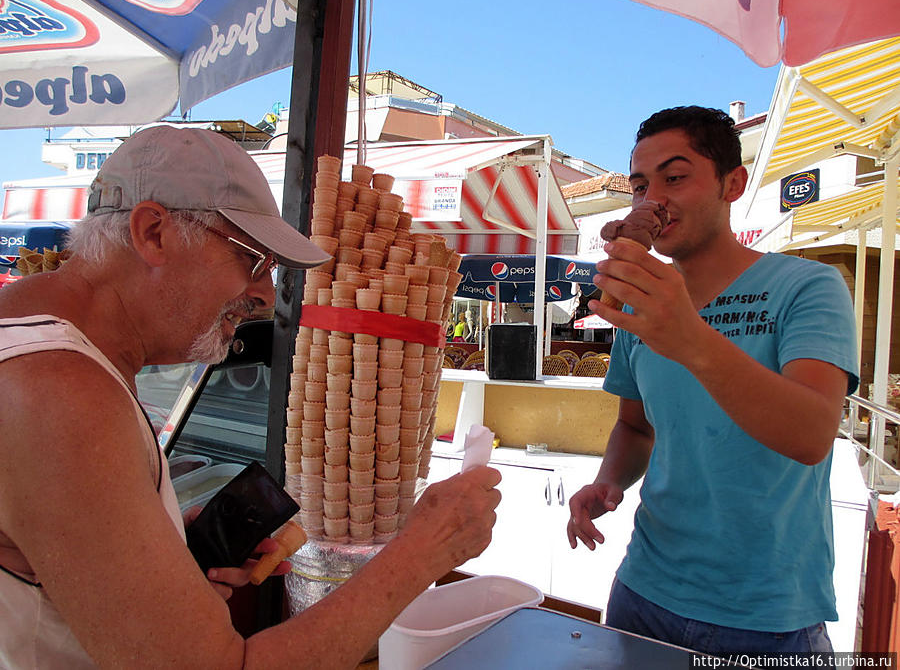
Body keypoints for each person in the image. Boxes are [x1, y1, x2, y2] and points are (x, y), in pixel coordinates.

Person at [0, 125, 501, 669]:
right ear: (153, 233)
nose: (264, 294)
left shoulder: (38, 348)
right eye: (252, 260)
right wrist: (425, 549)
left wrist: (158, 548)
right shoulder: (57, 390)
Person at [567, 106, 858, 656]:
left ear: (733, 183)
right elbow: (637, 427)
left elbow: (812, 434)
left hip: (765, 611)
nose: (652, 200)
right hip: (643, 590)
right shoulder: (642, 303)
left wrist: (689, 336)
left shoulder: (808, 287)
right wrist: (610, 482)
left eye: (675, 177)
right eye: (639, 185)